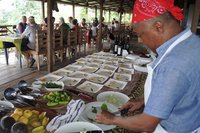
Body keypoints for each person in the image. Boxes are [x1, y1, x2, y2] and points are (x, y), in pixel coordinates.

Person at [96, 0, 200, 132]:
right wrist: (144, 101)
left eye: (141, 35)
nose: (140, 41)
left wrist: (112, 119)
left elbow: (146, 124)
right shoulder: (193, 42)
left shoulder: (172, 64)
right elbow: (180, 89)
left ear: (158, 27)